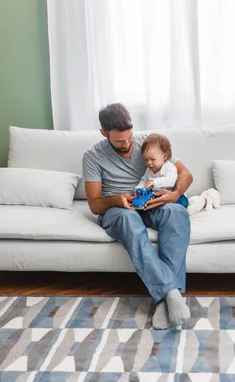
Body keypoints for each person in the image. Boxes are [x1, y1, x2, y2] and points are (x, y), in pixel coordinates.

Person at [82, 103, 193, 329]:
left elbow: (185, 174)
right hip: (118, 210)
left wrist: (174, 195)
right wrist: (116, 199)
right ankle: (171, 294)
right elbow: (94, 204)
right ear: (104, 133)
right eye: (119, 141)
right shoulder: (92, 157)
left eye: (129, 138)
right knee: (128, 219)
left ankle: (163, 300)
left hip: (151, 203)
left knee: (177, 212)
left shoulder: (149, 142)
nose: (127, 145)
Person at [135, 133, 189, 208]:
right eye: (146, 159)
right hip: (159, 195)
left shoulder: (169, 167)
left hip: (174, 196)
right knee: (150, 199)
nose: (149, 163)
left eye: (152, 159)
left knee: (181, 202)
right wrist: (138, 188)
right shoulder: (149, 170)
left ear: (164, 157)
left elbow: (171, 181)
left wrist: (154, 182)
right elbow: (144, 180)